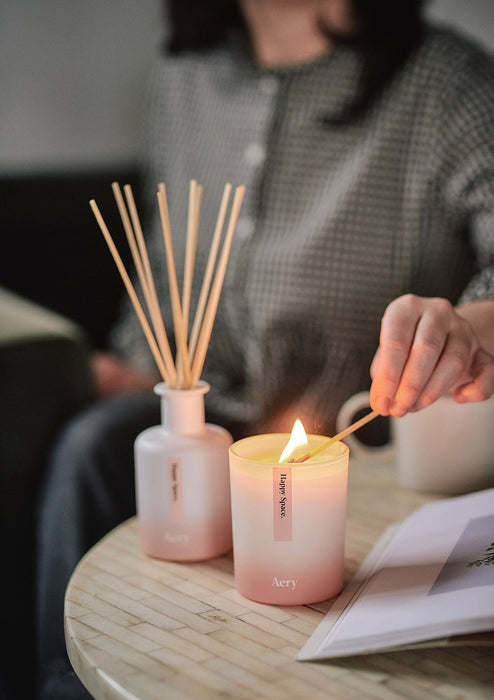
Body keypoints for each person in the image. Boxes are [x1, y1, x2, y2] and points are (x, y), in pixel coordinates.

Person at [36, 0, 494, 697]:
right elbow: (165, 261)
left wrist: (472, 324)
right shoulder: (184, 76)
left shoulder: (447, 85)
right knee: (92, 447)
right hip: (197, 409)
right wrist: (137, 361)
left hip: (356, 442)